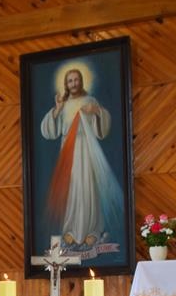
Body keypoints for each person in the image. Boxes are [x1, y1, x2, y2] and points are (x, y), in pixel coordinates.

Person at [40, 67, 124, 250]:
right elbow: (48, 131)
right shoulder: (62, 104)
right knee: (71, 190)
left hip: (86, 150)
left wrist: (97, 111)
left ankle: (92, 231)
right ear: (66, 84)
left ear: (82, 81)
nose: (73, 83)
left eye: (76, 79)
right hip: (68, 152)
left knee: (87, 188)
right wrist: (57, 110)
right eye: (70, 81)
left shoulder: (90, 101)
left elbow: (102, 130)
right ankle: (70, 230)